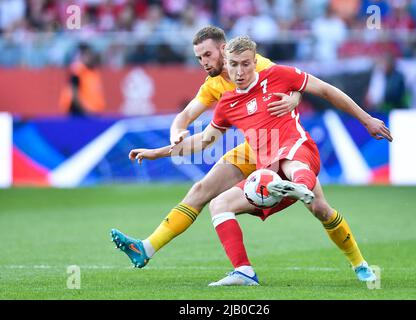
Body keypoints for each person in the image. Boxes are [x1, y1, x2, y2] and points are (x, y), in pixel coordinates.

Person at [121, 36, 393, 286]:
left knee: (301, 179)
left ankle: (357, 261)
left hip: (294, 147)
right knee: (218, 202)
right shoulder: (224, 100)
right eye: (234, 66)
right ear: (227, 62)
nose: (239, 71)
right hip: (262, 158)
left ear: (247, 59)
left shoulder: (274, 72)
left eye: (245, 64)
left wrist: (366, 118)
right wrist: (157, 151)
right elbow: (203, 139)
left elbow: (324, 90)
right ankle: (243, 271)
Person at [110, 26, 301, 267]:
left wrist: (295, 98)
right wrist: (176, 134)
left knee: (319, 208)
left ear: (223, 49)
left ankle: (358, 264)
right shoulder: (213, 85)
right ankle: (145, 248)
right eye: (199, 57)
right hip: (251, 148)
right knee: (200, 190)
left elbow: (294, 83)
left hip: (281, 145)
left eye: (207, 55)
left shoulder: (255, 64)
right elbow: (186, 115)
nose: (203, 62)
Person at [59, 43, 106, 116]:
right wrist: (83, 111)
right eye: (87, 55)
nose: (90, 57)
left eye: (91, 55)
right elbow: (74, 93)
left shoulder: (93, 72)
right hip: (80, 113)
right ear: (82, 56)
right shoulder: (78, 72)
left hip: (94, 112)